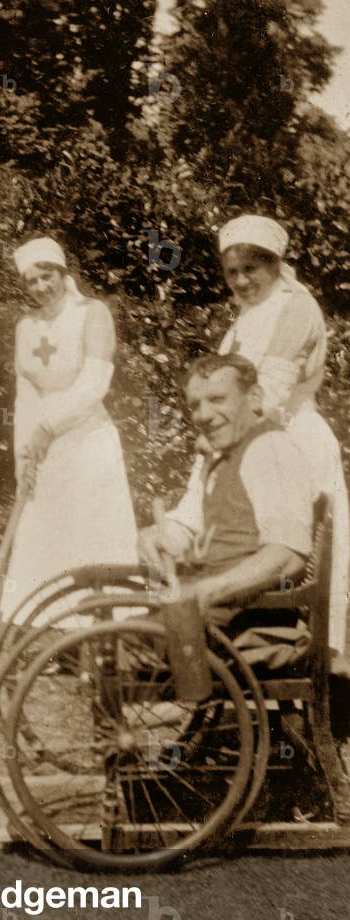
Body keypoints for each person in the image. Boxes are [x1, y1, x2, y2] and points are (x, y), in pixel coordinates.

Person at [171, 215, 348, 652]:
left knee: (286, 551)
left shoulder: (296, 306)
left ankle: (298, 653)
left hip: (287, 438)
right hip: (244, 440)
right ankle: (241, 649)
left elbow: (268, 389)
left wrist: (222, 438)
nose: (242, 280)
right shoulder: (244, 320)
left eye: (252, 267)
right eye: (232, 272)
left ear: (274, 264)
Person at [0, 237, 138, 624]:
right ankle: (48, 633)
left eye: (47, 276)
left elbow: (95, 383)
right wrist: (21, 456)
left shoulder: (92, 313)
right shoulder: (25, 327)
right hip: (45, 450)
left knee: (91, 535)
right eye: (32, 281)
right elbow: (25, 396)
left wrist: (49, 425)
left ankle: (102, 630)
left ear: (63, 273)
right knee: (45, 538)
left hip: (87, 441)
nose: (41, 287)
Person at [139, 353, 313, 623]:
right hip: (215, 612)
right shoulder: (223, 455)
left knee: (118, 642)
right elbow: (195, 524)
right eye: (195, 405)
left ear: (254, 397)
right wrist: (160, 536)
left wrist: (208, 590)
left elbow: (287, 556)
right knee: (106, 628)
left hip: (252, 620)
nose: (204, 415)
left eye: (218, 399)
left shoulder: (270, 450)